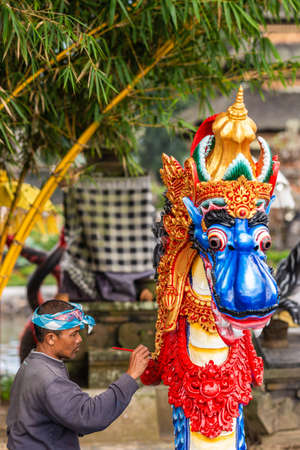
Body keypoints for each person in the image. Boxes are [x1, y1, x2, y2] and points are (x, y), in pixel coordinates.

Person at [6, 299, 151, 449]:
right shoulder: (49, 378)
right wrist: (131, 375)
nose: (79, 339)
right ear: (51, 338)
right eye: (73, 334)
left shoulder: (32, 362)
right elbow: (90, 415)